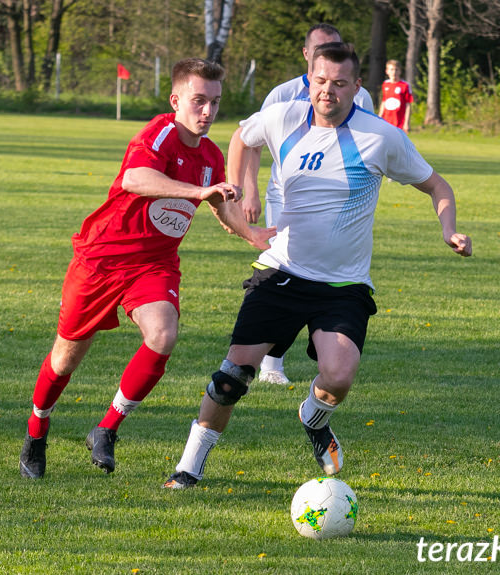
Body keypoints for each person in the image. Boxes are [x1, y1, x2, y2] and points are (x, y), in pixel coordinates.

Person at [163, 43, 472, 489]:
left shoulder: (380, 137)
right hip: (281, 272)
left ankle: (313, 416)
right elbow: (243, 138)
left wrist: (449, 230)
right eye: (320, 81)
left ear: (357, 86)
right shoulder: (283, 116)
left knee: (340, 376)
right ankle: (188, 467)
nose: (327, 91)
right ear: (309, 77)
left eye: (339, 83)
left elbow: (437, 185)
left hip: (343, 285)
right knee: (231, 378)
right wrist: (244, 187)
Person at [19, 58, 275, 479]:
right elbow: (135, 178)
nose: (207, 112)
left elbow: (220, 203)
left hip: (154, 265)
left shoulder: (210, 155)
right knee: (65, 359)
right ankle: (36, 432)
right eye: (198, 101)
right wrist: (199, 189)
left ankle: (106, 429)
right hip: (101, 259)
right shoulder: (159, 133)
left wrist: (252, 235)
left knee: (163, 333)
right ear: (176, 100)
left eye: (214, 103)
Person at [241, 23, 374, 385]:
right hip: (284, 198)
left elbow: (370, 149)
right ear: (306, 55)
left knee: (320, 273)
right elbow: (250, 139)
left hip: (336, 204)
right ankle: (271, 364)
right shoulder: (282, 95)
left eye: (335, 47)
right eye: (320, 50)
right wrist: (248, 189)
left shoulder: (359, 97)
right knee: (287, 273)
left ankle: (319, 356)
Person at [378, 59, 413, 132]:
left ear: (400, 71)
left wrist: (406, 122)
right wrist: (379, 117)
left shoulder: (405, 85)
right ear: (387, 71)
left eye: (396, 70)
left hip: (399, 122)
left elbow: (408, 105)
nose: (394, 72)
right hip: (386, 120)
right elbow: (384, 102)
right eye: (391, 69)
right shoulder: (385, 84)